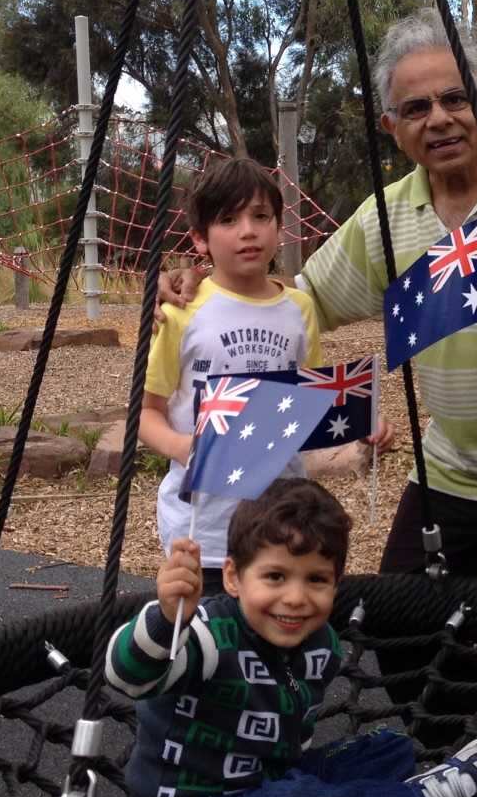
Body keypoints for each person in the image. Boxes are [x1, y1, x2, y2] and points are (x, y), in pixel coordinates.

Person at [160, 8, 477, 601]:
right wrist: (200, 283)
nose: (439, 118)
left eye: (455, 99)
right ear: (391, 126)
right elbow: (294, 298)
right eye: (416, 108)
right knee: (400, 631)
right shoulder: (386, 217)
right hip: (449, 469)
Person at [106, 477, 477, 797]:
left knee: (387, 749)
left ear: (335, 585)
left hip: (266, 786)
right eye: (275, 576)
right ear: (233, 577)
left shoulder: (322, 646)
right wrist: (167, 619)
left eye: (316, 579)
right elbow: (127, 675)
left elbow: (292, 743)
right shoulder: (207, 634)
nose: (295, 598)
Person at [141, 155, 392, 594]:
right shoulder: (180, 312)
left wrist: (360, 424)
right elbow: (145, 413)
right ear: (200, 239)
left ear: (279, 226)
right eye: (228, 219)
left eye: (261, 216)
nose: (248, 231)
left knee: (280, 620)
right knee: (208, 626)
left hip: (283, 517)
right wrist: (184, 447)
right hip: (204, 524)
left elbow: (310, 401)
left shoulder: (299, 308)